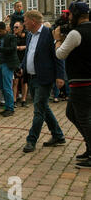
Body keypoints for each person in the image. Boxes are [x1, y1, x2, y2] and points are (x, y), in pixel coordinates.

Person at [21, 10, 66, 153]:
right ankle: (58, 135)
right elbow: (29, 53)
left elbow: (57, 57)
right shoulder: (29, 35)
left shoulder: (48, 33)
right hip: (32, 77)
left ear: (33, 21)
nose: (24, 23)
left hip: (44, 78)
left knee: (38, 110)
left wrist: (60, 76)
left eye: (25, 20)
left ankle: (31, 140)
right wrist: (22, 67)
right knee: (43, 107)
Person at [54, 0, 91, 168]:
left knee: (84, 118)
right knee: (71, 113)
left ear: (76, 15)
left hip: (81, 83)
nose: (68, 19)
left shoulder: (76, 33)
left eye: (70, 15)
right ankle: (89, 147)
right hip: (85, 81)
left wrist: (57, 40)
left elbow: (60, 54)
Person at [0, 22, 19, 117]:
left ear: (4, 29)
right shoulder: (0, 38)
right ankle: (7, 107)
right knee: (2, 86)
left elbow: (12, 49)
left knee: (7, 87)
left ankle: (10, 108)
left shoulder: (11, 37)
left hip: (7, 64)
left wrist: (0, 48)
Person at [13, 21, 28, 107]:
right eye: (14, 27)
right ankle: (14, 100)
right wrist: (17, 47)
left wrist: (24, 47)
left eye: (16, 27)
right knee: (15, 81)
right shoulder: (13, 37)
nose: (14, 29)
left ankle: (23, 100)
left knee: (24, 81)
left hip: (24, 60)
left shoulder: (27, 36)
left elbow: (30, 45)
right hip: (15, 61)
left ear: (22, 28)